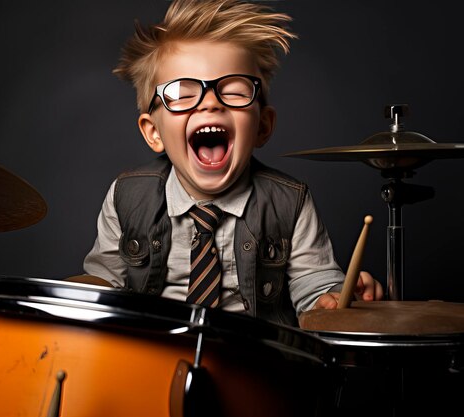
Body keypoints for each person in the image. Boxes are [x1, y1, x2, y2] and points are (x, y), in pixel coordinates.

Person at [80, 0, 383, 327]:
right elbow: (106, 282)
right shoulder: (127, 197)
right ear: (154, 133)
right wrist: (78, 292)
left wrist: (333, 297)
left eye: (235, 91)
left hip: (256, 362)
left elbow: (313, 283)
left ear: (262, 126)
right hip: (156, 357)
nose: (210, 103)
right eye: (182, 93)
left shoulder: (289, 203)